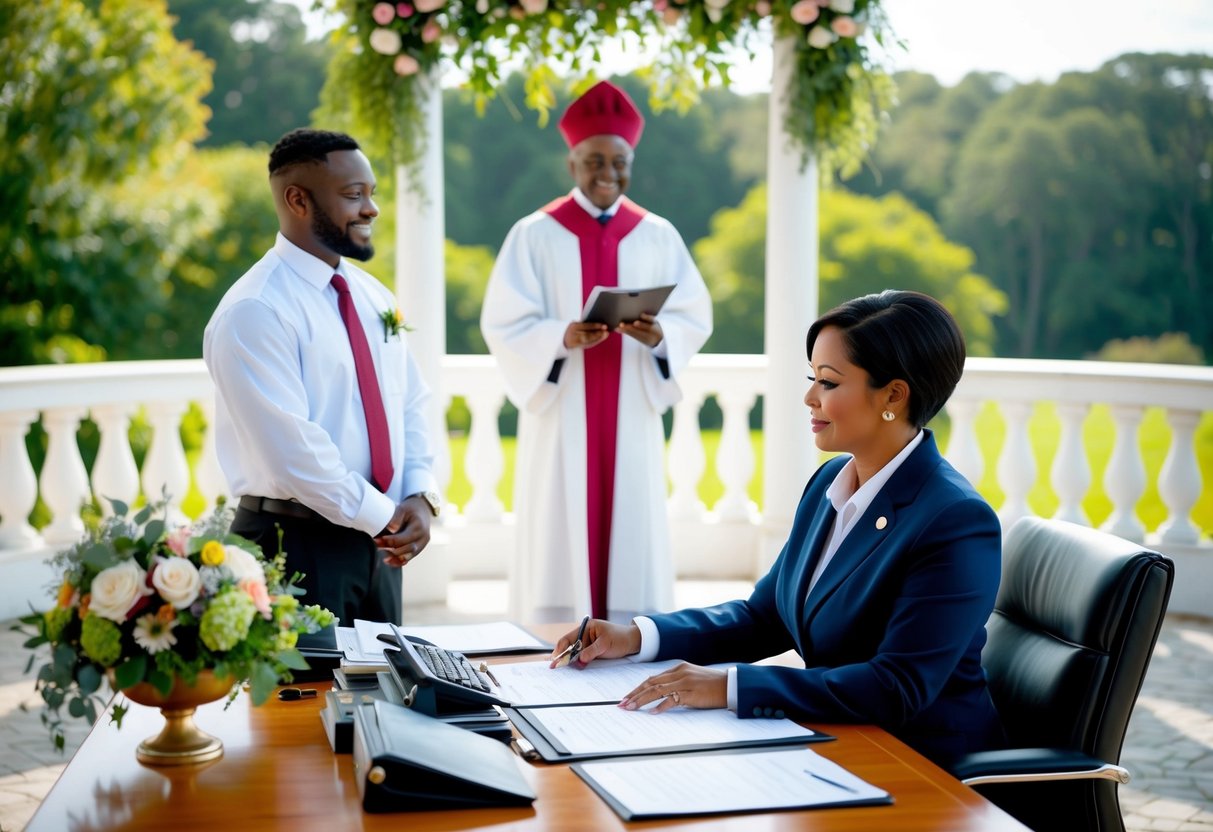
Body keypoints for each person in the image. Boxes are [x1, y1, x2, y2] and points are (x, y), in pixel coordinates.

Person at [550, 290, 1005, 767]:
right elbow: (766, 617)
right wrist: (638, 637)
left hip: (923, 768)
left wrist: (728, 686)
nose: (810, 397)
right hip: (841, 744)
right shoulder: (831, 482)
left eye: (828, 382)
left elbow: (896, 688)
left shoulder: (954, 521)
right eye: (813, 378)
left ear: (893, 395)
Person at [481, 81, 713, 624]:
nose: (606, 172)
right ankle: (555, 626)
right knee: (560, 522)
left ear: (632, 160)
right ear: (572, 162)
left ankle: (632, 634)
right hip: (565, 412)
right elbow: (504, 322)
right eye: (592, 161)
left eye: (618, 160)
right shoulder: (534, 235)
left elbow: (693, 315)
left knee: (631, 518)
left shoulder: (657, 235)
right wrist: (561, 337)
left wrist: (660, 337)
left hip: (630, 405)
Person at [203, 128, 441, 626]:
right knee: (303, 703)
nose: (371, 209)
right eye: (354, 196)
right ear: (297, 200)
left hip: (378, 543)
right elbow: (294, 455)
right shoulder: (256, 309)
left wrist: (419, 495)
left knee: (385, 700)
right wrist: (388, 517)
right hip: (294, 548)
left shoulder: (372, 295)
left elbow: (411, 403)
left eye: (371, 194)